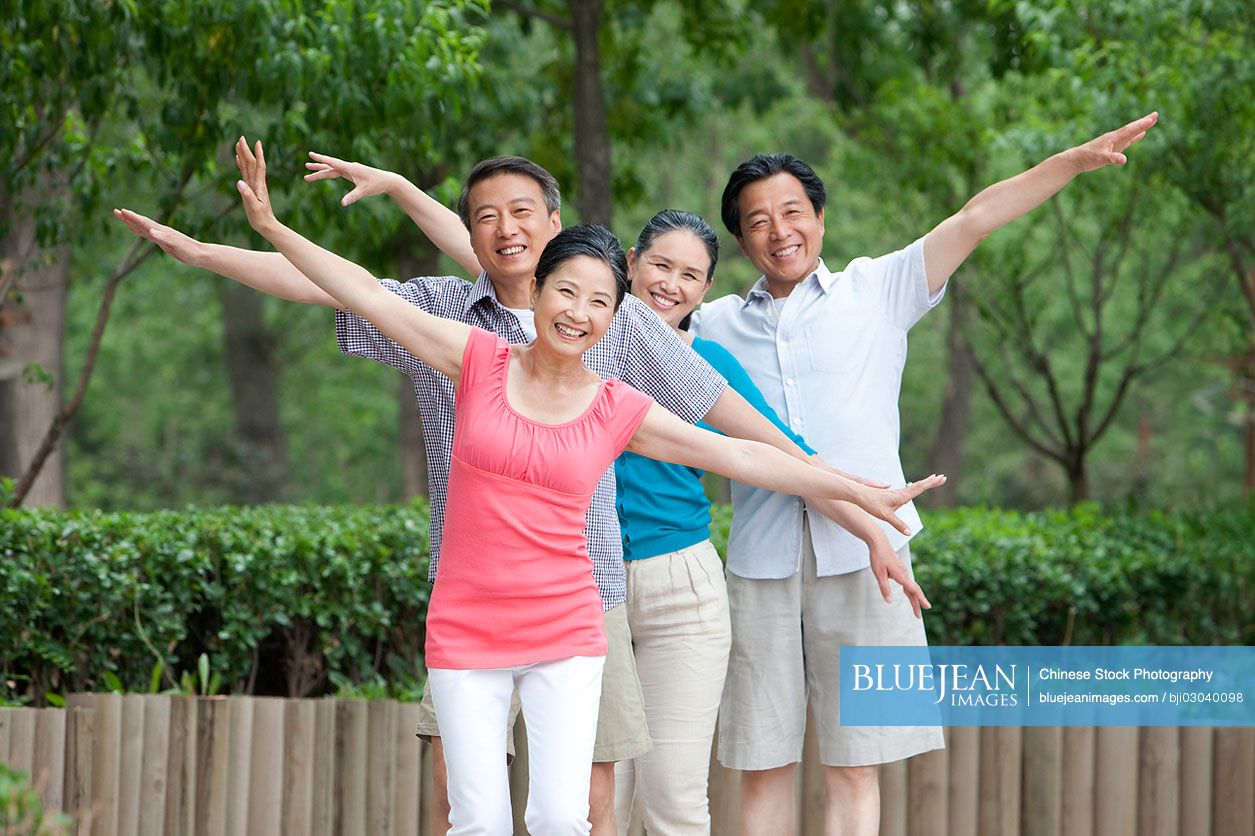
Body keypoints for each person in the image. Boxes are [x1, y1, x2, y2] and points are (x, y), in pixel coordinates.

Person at [114, 145, 929, 834]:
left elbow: (742, 444)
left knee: (574, 810)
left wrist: (859, 502)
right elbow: (346, 286)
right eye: (485, 221)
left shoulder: (617, 387)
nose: (577, 311)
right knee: (468, 810)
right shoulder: (466, 343)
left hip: (580, 602)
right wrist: (237, 238)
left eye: (596, 300)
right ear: (519, 279)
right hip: (469, 607)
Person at [693, 111, 1158, 835]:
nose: (778, 231)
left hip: (869, 558)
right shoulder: (712, 323)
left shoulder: (877, 288)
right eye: (756, 221)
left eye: (792, 212)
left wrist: (1067, 162)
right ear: (741, 238)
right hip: (760, 566)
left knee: (855, 765)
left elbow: (974, 218)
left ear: (818, 217)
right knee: (762, 767)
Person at [610, 210, 927, 835]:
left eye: (691, 275)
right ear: (629, 262)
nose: (671, 283)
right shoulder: (581, 336)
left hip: (677, 577)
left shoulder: (705, 364)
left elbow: (779, 453)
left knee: (672, 793)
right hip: (594, 580)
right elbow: (510, 261)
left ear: (705, 291)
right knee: (599, 790)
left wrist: (872, 528)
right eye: (660, 266)